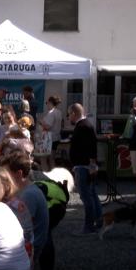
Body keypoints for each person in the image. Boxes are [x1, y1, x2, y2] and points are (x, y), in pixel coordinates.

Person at [0, 151, 50, 270]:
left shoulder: (28, 195)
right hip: (28, 244)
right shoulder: (24, 190)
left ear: (19, 174)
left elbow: (14, 231)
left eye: (6, 175)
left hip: (29, 250)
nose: (3, 179)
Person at [69, 103, 101, 235]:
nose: (68, 117)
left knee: (87, 197)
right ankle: (99, 222)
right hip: (84, 165)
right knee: (92, 195)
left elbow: (92, 147)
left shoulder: (83, 126)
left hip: (83, 166)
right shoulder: (85, 125)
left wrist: (92, 165)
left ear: (73, 113)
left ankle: (89, 227)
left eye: (69, 114)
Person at [37, 96, 64, 169]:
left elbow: (47, 126)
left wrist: (41, 122)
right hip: (56, 137)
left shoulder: (51, 113)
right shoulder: (59, 112)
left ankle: (45, 174)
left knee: (43, 159)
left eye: (47, 103)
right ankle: (53, 174)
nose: (47, 105)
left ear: (50, 102)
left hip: (49, 138)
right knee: (52, 159)